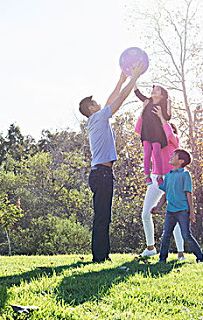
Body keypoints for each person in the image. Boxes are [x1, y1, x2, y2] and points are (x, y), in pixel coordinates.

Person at [79, 64, 143, 263]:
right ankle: (99, 257)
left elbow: (110, 99)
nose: (100, 103)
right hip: (102, 174)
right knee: (102, 217)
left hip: (102, 173)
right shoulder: (98, 118)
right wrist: (134, 80)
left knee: (103, 216)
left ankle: (102, 255)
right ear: (91, 108)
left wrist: (122, 79)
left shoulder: (97, 119)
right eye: (95, 102)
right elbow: (118, 101)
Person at [135, 106, 185, 260]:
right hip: (157, 178)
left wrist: (163, 119)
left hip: (172, 179)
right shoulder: (155, 142)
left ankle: (180, 253)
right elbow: (138, 128)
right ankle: (150, 248)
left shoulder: (174, 142)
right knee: (145, 214)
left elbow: (168, 132)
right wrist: (143, 109)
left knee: (175, 216)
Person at [150, 149, 203, 264]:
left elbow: (188, 193)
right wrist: (157, 206)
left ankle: (200, 258)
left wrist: (191, 212)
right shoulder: (169, 175)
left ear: (181, 161)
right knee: (166, 235)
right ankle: (162, 259)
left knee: (186, 235)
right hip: (170, 211)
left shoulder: (185, 174)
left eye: (174, 155)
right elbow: (165, 194)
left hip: (183, 211)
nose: (171, 156)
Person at [134, 84, 171, 186]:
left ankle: (159, 176)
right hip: (146, 131)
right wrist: (133, 80)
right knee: (147, 152)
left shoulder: (162, 106)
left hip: (157, 133)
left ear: (162, 95)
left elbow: (167, 117)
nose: (154, 91)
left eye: (157, 90)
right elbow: (138, 93)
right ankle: (147, 176)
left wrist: (169, 105)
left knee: (157, 152)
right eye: (153, 89)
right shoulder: (147, 101)